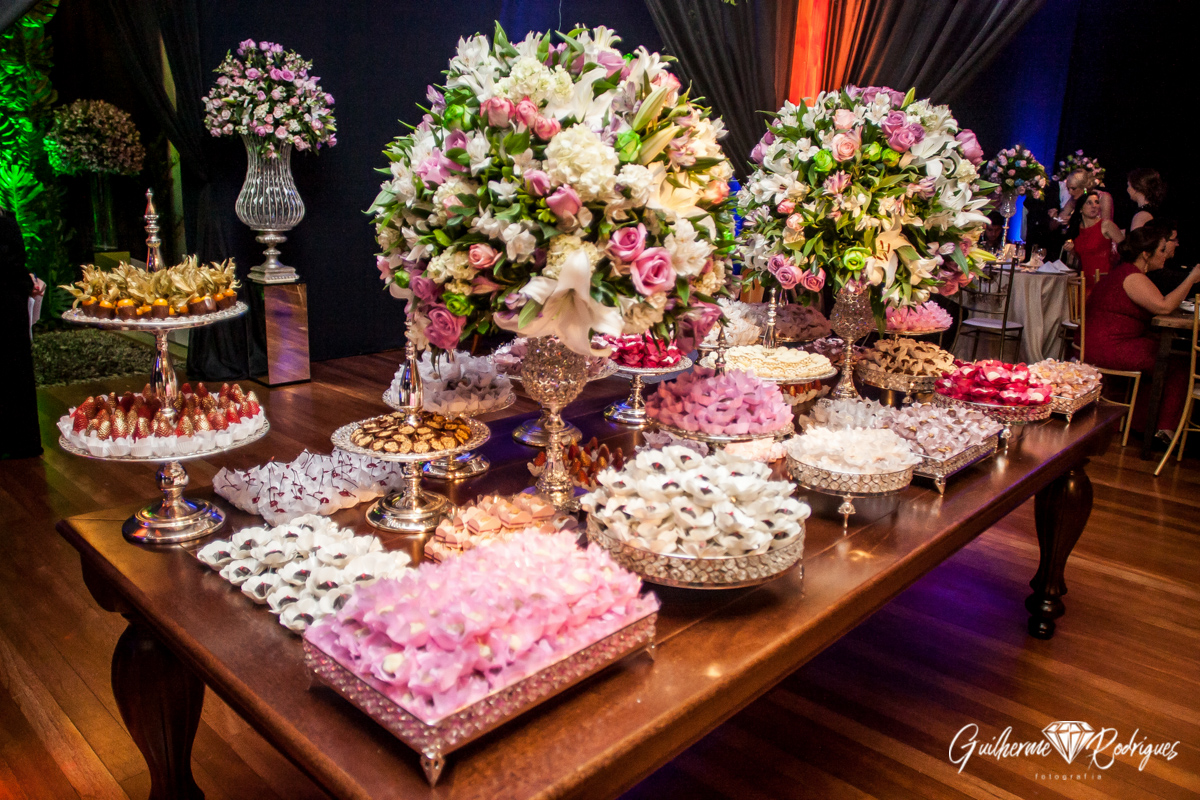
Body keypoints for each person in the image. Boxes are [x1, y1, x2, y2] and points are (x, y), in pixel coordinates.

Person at [1085, 224, 1200, 439]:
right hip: (1108, 347)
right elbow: (1164, 307)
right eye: (1161, 250)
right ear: (1146, 254)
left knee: (1164, 353)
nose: (1165, 255)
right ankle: (1164, 428)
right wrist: (1192, 278)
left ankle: (1144, 424)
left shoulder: (1129, 272)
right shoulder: (1133, 277)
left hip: (1105, 342)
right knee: (1178, 363)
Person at [0, 205, 43, 459]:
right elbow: (12, 264)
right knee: (14, 371)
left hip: (9, 301)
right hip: (8, 304)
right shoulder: (5, 222)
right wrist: (27, 281)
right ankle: (19, 442)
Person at [1062, 190, 1123, 286]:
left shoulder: (1105, 225)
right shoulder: (1076, 229)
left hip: (1103, 280)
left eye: (1097, 202)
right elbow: (1082, 257)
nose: (1094, 206)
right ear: (1081, 209)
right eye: (1089, 203)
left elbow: (1126, 247)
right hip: (1084, 281)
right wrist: (1071, 250)